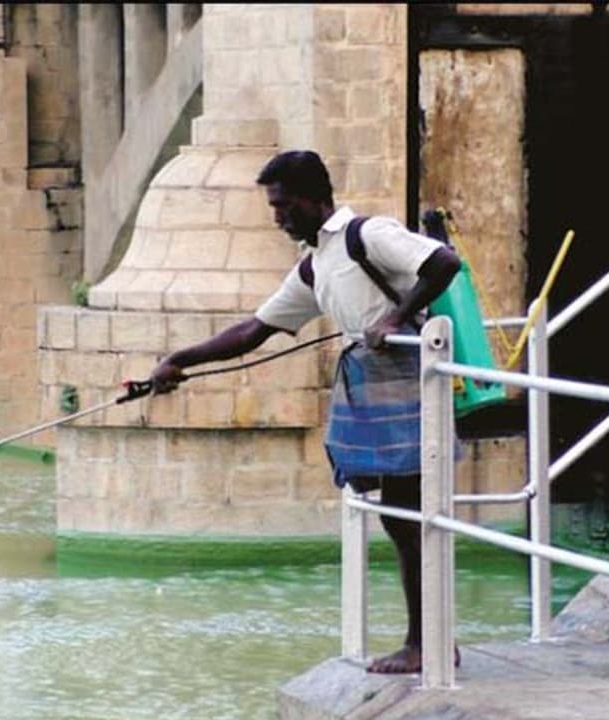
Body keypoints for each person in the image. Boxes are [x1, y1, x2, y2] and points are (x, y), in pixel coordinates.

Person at [149, 149, 462, 674]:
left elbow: (442, 262)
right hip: (375, 388)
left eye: (284, 205)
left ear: (316, 198)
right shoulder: (316, 264)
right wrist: (178, 360)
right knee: (399, 517)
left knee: (409, 517)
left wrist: (394, 317)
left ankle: (427, 644)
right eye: (274, 207)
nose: (278, 217)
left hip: (411, 385)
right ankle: (427, 640)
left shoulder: (367, 235)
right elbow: (253, 331)